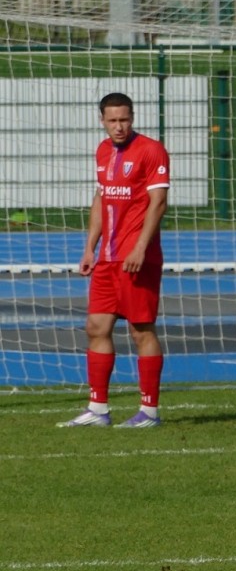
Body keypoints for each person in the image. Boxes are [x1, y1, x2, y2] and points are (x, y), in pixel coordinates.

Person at [57, 92, 169, 429]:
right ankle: (98, 410)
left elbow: (159, 202)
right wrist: (91, 246)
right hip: (106, 258)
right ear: (102, 120)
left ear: (132, 118)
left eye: (124, 119)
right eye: (112, 120)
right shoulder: (103, 150)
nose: (119, 126)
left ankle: (149, 412)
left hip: (137, 258)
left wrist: (140, 247)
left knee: (140, 330)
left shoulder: (151, 150)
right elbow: (101, 197)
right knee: (96, 327)